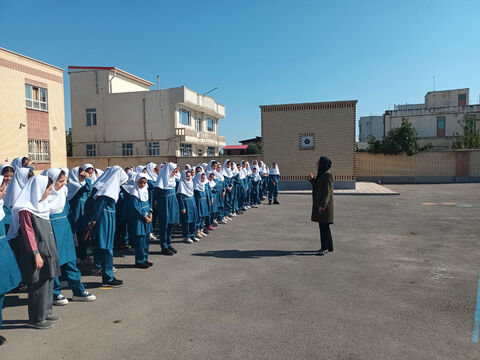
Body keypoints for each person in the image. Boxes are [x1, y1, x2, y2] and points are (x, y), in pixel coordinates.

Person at [8, 175, 61, 329]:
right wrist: (35, 253)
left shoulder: (42, 205)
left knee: (49, 278)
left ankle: (46, 312)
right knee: (38, 282)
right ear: (38, 190)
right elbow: (28, 233)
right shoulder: (25, 209)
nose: (49, 193)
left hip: (47, 248)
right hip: (35, 251)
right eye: (48, 189)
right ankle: (37, 318)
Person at [46, 169, 96, 305]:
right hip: (51, 232)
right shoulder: (43, 197)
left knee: (70, 261)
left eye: (64, 181)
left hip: (65, 231)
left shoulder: (63, 193)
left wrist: (72, 232)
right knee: (54, 263)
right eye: (60, 181)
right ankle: (55, 293)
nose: (63, 184)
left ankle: (78, 291)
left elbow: (68, 213)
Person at [88, 166, 128, 287]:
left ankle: (108, 275)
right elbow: (99, 206)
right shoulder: (107, 190)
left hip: (107, 218)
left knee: (106, 248)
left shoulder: (108, 187)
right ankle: (108, 277)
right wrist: (94, 220)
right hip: (105, 220)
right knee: (106, 249)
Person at [0, 175, 22, 344]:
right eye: (1, 190)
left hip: (3, 252)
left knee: (1, 292)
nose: (4, 192)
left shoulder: (2, 207)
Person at [308, 156, 334, 256]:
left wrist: (323, 205)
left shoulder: (328, 175)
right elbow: (318, 185)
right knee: (324, 226)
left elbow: (327, 192)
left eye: (318, 163)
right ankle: (330, 246)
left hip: (325, 206)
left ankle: (325, 247)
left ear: (322, 164)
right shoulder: (322, 174)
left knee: (324, 227)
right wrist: (311, 179)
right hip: (322, 205)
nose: (316, 164)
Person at [67, 167, 92, 263]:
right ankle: (78, 256)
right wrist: (88, 179)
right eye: (81, 176)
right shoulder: (73, 185)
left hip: (83, 215)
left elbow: (89, 191)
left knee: (84, 235)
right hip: (76, 215)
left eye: (84, 176)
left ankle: (83, 255)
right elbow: (87, 188)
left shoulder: (80, 184)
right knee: (77, 236)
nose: (83, 178)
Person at [128, 173, 153, 269]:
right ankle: (139, 261)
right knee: (140, 241)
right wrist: (145, 216)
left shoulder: (145, 191)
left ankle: (145, 259)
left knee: (146, 240)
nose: (142, 184)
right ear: (137, 181)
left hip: (147, 219)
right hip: (139, 219)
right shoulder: (134, 193)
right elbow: (136, 207)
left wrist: (150, 212)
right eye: (140, 182)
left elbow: (148, 203)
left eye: (144, 182)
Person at [155, 162, 179, 256]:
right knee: (164, 225)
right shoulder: (161, 180)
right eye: (173, 171)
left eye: (175, 171)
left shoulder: (173, 180)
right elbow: (156, 195)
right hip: (164, 204)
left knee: (170, 224)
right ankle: (163, 246)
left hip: (172, 202)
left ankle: (168, 243)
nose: (174, 173)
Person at [176, 170, 198, 244]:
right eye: (187, 176)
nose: (188, 178)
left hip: (192, 203)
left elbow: (193, 194)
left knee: (193, 220)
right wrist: (182, 207)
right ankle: (187, 236)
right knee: (186, 221)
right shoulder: (181, 184)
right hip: (186, 204)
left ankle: (192, 235)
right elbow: (180, 197)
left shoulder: (191, 183)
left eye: (189, 176)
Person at [193, 170, 209, 239]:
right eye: (201, 178)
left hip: (204, 203)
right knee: (199, 217)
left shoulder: (203, 186)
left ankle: (201, 229)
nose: (202, 180)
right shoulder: (195, 186)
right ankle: (197, 231)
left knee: (203, 217)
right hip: (199, 204)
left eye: (203, 178)